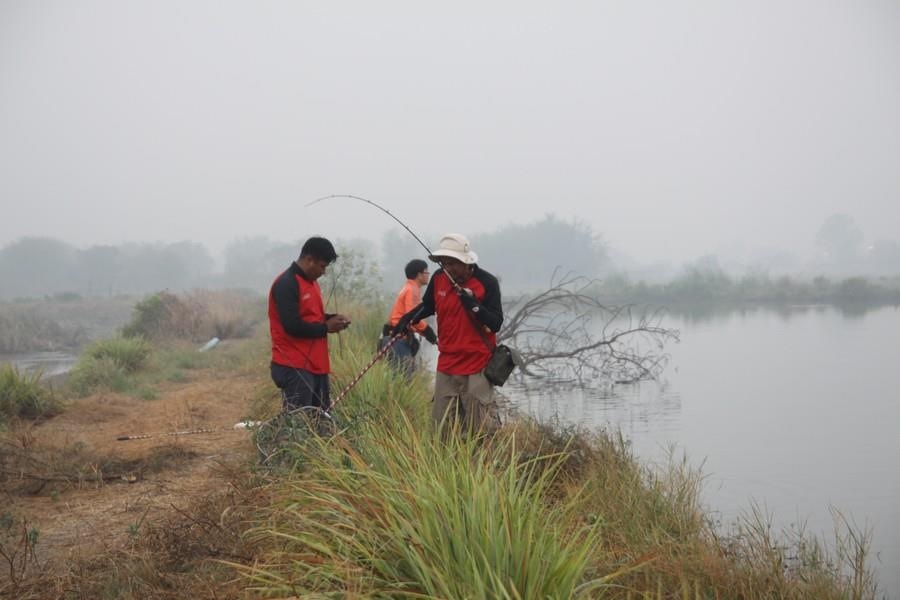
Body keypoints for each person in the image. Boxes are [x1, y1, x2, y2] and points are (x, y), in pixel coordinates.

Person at [392, 233, 503, 435]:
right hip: (447, 365)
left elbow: (496, 323)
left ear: (465, 262)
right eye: (443, 263)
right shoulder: (439, 278)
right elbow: (427, 306)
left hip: (477, 366)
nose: (447, 268)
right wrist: (406, 319)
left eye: (452, 263)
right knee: (442, 429)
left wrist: (474, 306)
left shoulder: (487, 282)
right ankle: (444, 465)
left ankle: (481, 465)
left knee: (480, 431)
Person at [268, 236, 351, 412]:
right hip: (294, 366)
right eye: (322, 266)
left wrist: (332, 319)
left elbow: (312, 316)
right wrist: (326, 328)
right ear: (309, 260)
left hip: (316, 364)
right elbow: (292, 325)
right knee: (299, 425)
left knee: (320, 420)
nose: (324, 272)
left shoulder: (312, 283)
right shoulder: (286, 283)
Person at [381, 259, 438, 376]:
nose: (428, 275)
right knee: (403, 378)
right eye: (426, 272)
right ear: (419, 274)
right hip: (399, 339)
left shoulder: (407, 288)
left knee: (395, 377)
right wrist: (430, 334)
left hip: (394, 336)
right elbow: (412, 318)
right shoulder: (412, 290)